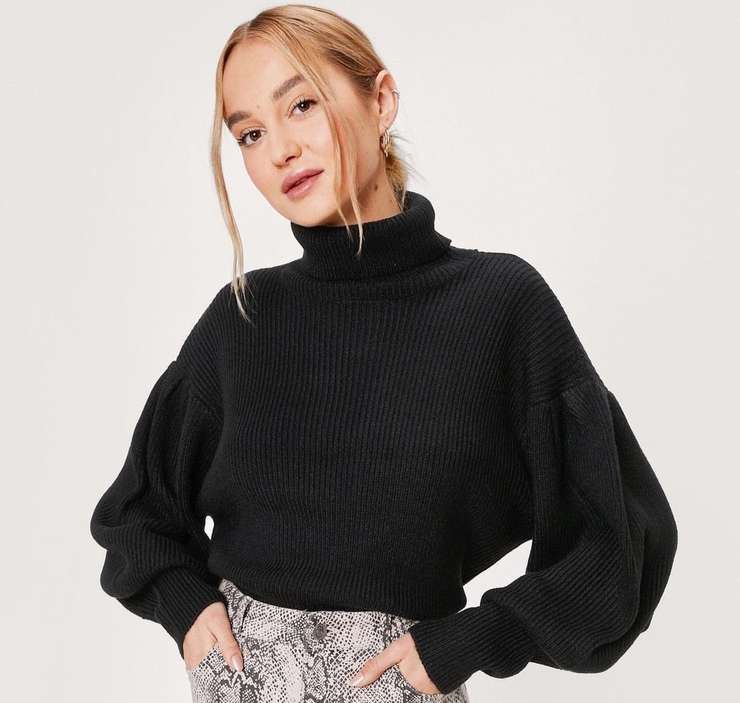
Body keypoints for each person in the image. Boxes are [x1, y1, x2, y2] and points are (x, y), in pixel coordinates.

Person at [89, 5, 678, 703]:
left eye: (301, 104)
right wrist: (185, 605)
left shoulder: (499, 304)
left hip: (394, 688)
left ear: (381, 100)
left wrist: (477, 638)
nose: (279, 150)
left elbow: (620, 538)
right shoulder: (243, 317)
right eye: (250, 133)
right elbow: (137, 512)